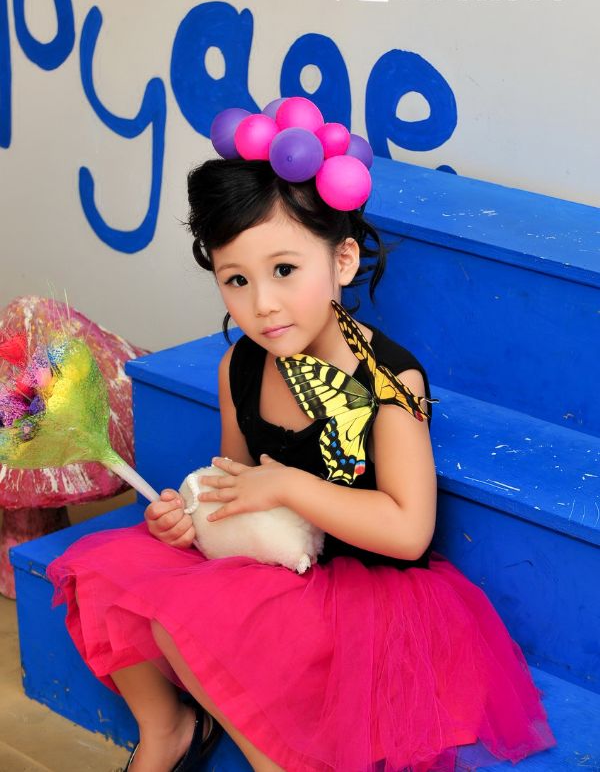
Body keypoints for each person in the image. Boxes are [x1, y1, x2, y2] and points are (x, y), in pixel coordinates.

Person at [47, 104, 557, 772]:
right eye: (237, 280)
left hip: (364, 592)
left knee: (187, 613)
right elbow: (232, 479)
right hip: (274, 563)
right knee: (106, 571)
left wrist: (287, 485)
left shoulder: (388, 382)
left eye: (284, 270)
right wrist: (190, 515)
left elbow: (409, 531)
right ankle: (167, 728)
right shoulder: (241, 365)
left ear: (342, 259)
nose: (262, 304)